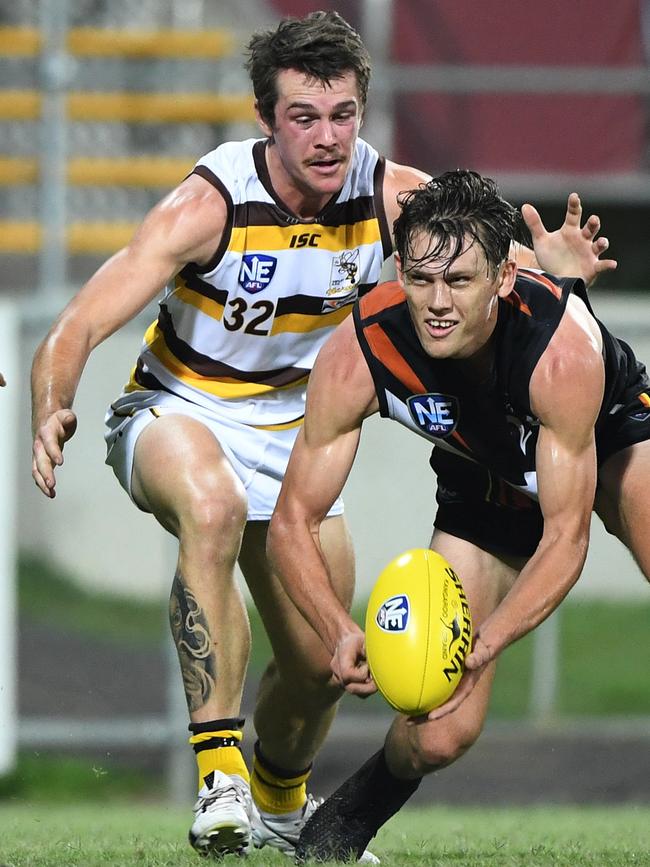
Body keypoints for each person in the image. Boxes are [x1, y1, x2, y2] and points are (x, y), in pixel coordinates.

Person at [30, 10, 614, 862]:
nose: (328, 136)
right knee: (211, 502)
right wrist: (52, 402)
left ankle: (277, 799)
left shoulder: (387, 194)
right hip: (178, 408)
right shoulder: (211, 203)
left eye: (343, 114)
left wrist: (550, 269)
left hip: (295, 435)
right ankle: (218, 772)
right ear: (267, 120)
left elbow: (481, 256)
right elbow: (77, 322)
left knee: (320, 662)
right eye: (304, 116)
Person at [265, 169, 650, 863]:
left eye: (460, 282)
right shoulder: (361, 350)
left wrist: (489, 639)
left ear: (503, 279)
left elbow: (566, 536)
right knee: (441, 731)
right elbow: (292, 519)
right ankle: (338, 828)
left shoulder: (562, 350)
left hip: (610, 434)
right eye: (421, 279)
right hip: (486, 477)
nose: (436, 303)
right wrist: (336, 627)